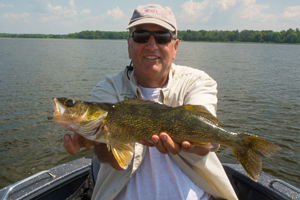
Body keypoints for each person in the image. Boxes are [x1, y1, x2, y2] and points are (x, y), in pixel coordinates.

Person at [63, 4, 238, 200]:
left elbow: (207, 136)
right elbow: (108, 158)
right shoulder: (108, 88)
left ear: (175, 47)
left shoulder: (198, 82)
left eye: (162, 37)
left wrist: (199, 146)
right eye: (141, 36)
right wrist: (95, 139)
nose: (152, 45)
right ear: (129, 46)